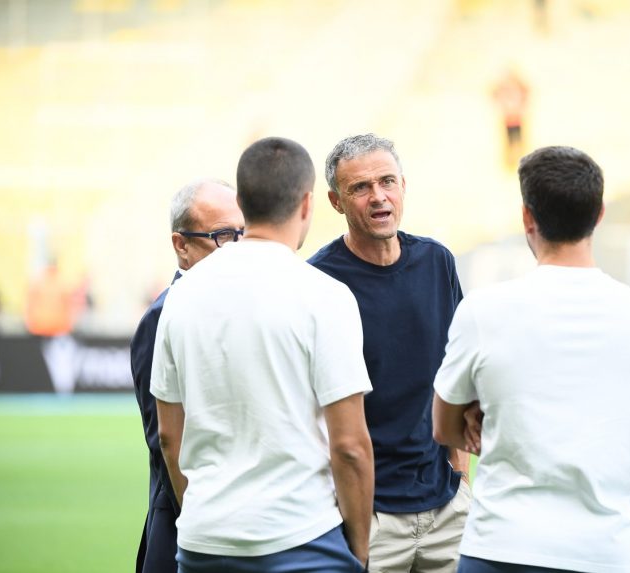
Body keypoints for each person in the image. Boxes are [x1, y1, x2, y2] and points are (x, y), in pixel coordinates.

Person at [433, 146, 630, 573]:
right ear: (599, 214)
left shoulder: (483, 311)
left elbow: (444, 426)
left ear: (527, 217)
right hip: (606, 553)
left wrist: (479, 411)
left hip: (501, 548)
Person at [150, 137, 374, 573]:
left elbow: (169, 437)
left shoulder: (181, 295)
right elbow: (350, 446)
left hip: (204, 542)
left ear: (242, 202)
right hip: (302, 537)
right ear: (307, 204)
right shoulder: (324, 294)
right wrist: (359, 551)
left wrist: (201, 515)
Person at [308, 133, 470, 573]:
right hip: (367, 517)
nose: (378, 197)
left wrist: (462, 478)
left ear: (403, 185)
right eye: (360, 188)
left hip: (447, 509)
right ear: (335, 202)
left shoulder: (437, 262)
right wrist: (356, 525)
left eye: (387, 182)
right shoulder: (317, 284)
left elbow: (454, 376)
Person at [130, 178, 245, 573]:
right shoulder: (162, 317)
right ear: (181, 245)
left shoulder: (244, 305)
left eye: (244, 233)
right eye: (223, 236)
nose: (237, 248)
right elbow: (166, 442)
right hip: (189, 527)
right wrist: (205, 522)